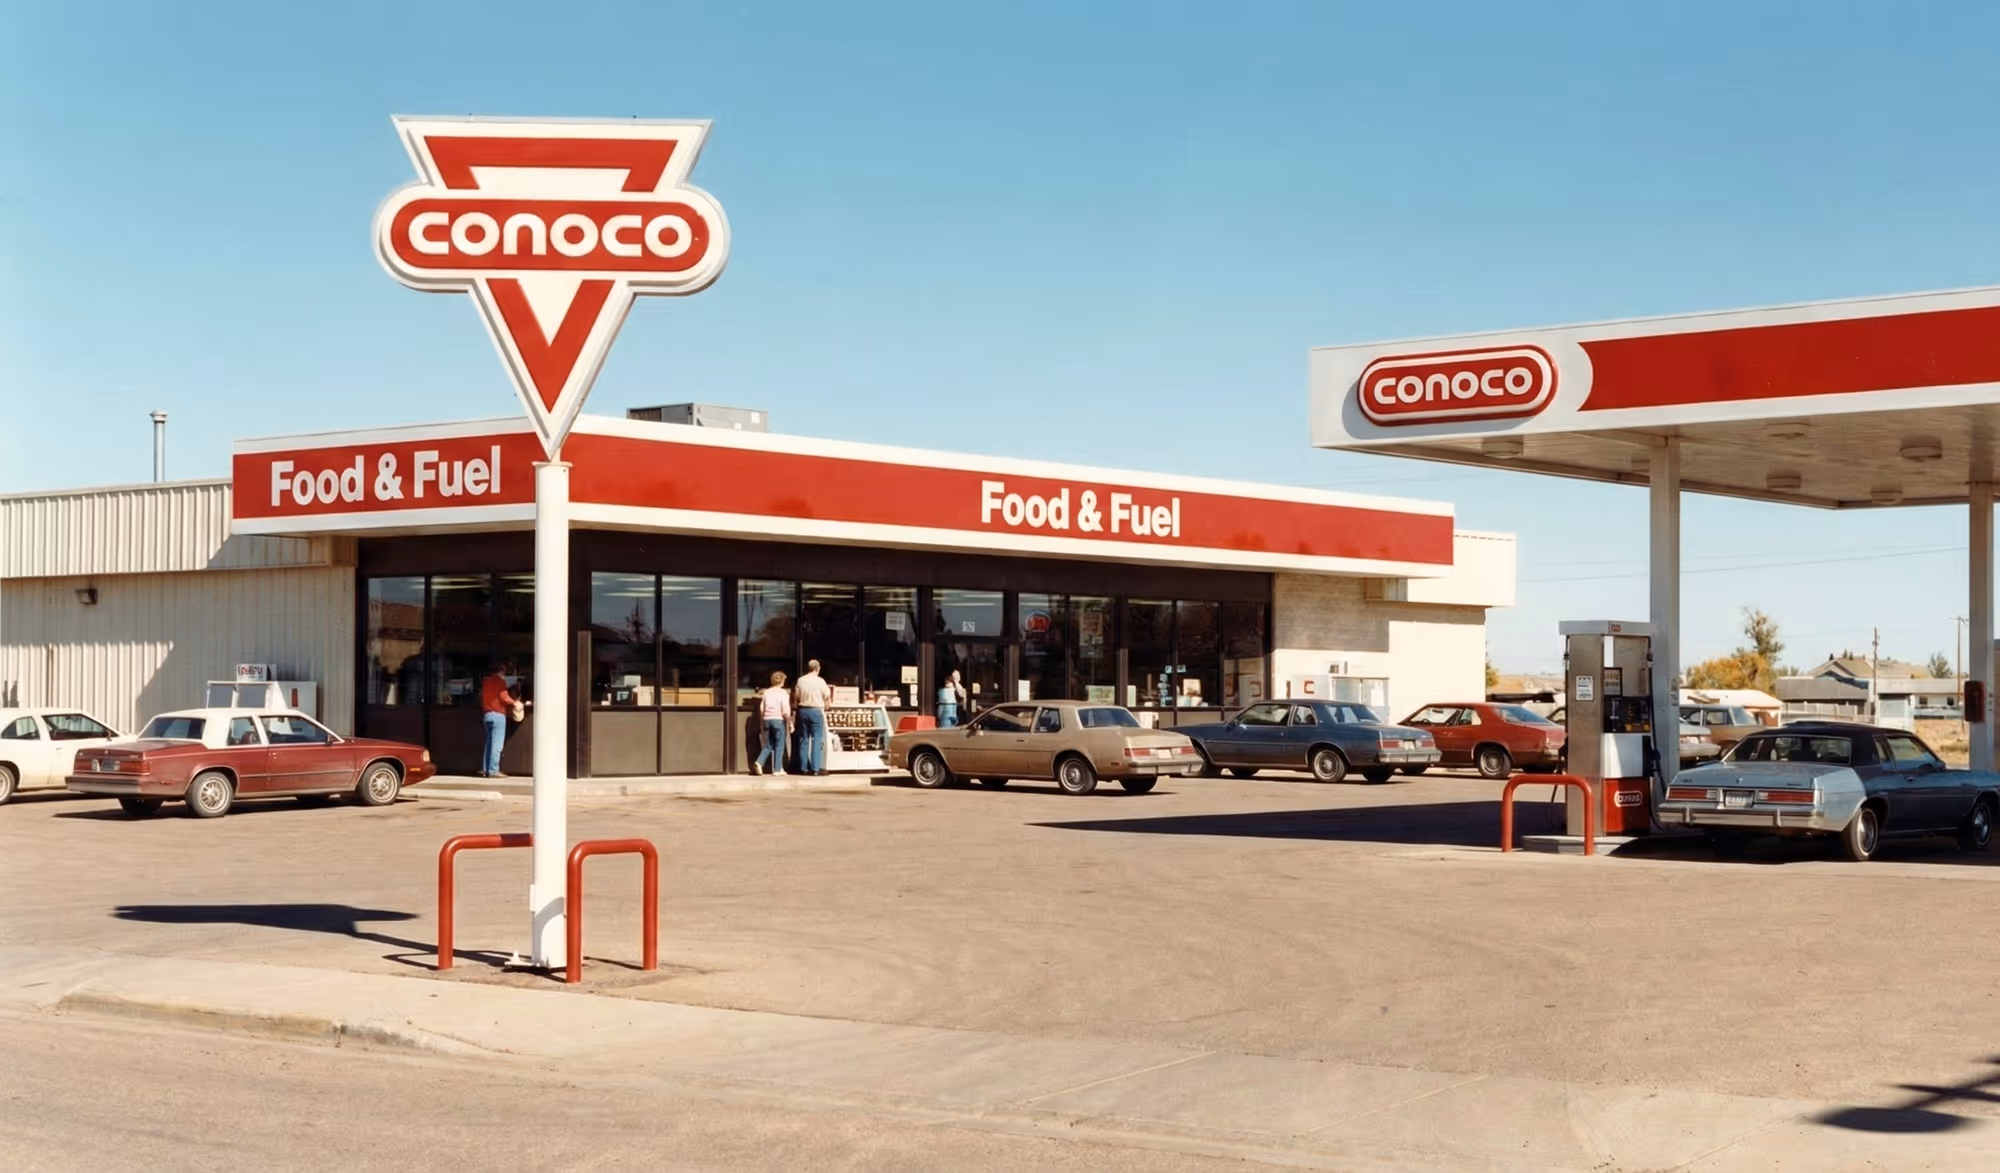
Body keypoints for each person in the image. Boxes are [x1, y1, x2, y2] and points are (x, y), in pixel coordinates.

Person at [793, 658, 833, 775]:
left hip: (802, 710)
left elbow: (797, 696)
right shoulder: (821, 681)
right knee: (816, 740)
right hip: (816, 710)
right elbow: (827, 696)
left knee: (804, 740)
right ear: (817, 668)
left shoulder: (800, 680)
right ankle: (815, 769)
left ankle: (804, 768)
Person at [480, 661, 518, 778]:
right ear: (502, 671)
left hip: (487, 714)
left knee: (489, 743)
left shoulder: (486, 682)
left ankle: (485, 769)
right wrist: (515, 702)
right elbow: (504, 697)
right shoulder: (500, 681)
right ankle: (493, 770)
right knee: (497, 744)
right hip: (498, 715)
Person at [753, 671, 791, 776]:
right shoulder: (783, 693)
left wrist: (762, 721)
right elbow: (785, 710)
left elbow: (762, 709)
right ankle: (778, 769)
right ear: (782, 681)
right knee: (779, 745)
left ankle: (759, 762)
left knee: (768, 745)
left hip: (766, 719)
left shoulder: (767, 692)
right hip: (778, 720)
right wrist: (789, 719)